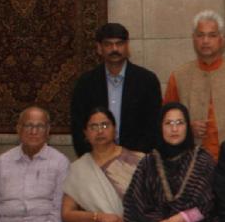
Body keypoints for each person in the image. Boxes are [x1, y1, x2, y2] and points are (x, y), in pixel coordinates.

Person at [163, 10, 225, 159]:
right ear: (193, 39)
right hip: (190, 160)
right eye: (200, 35)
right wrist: (187, 129)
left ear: (222, 39)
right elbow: (166, 121)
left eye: (212, 35)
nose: (205, 41)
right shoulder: (179, 76)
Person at [69, 22, 163, 156]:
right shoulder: (86, 83)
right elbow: (78, 127)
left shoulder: (147, 81)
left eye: (119, 44)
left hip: (137, 159)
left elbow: (153, 126)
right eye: (108, 44)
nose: (114, 49)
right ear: (99, 48)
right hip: (96, 159)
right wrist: (92, 157)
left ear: (127, 46)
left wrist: (134, 158)